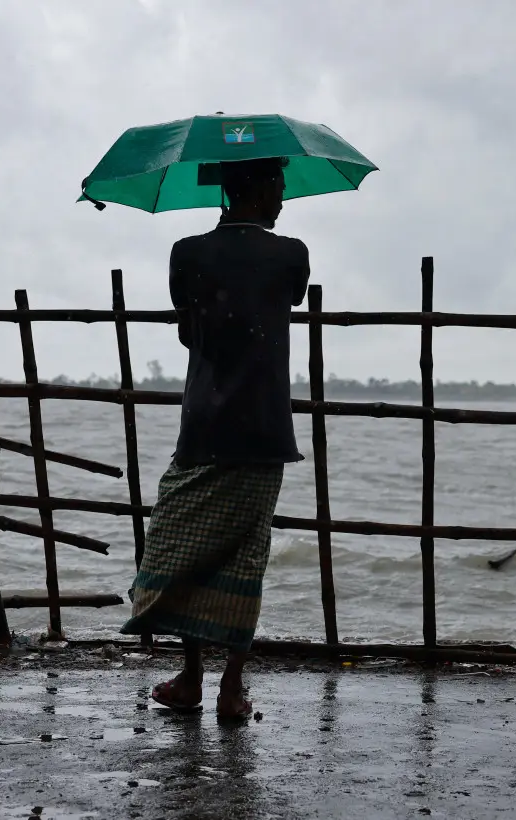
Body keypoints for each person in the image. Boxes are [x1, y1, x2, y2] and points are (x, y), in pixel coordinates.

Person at [121, 156, 309, 721]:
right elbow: (285, 300)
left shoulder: (187, 253)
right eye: (277, 183)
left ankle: (193, 677)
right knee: (245, 559)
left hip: (204, 423)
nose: (283, 195)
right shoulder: (291, 255)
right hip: (265, 427)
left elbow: (187, 330)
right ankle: (230, 687)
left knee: (182, 549)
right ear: (253, 187)